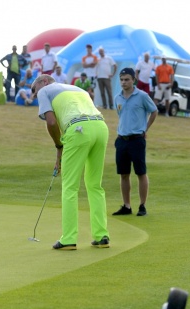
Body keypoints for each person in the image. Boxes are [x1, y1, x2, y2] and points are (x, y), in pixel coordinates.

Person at [31, 74, 110, 250]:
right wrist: (60, 150)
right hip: (101, 128)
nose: (35, 95)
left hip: (78, 130)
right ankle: (101, 235)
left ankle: (68, 238)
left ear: (43, 82)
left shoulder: (45, 91)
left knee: (70, 186)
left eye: (34, 90)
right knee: (95, 185)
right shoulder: (78, 89)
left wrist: (59, 145)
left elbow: (51, 122)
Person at [112, 68, 158, 217]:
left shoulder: (142, 96)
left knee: (141, 173)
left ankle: (142, 205)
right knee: (124, 174)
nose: (124, 82)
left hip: (137, 139)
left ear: (133, 80)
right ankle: (126, 206)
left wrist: (145, 129)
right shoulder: (117, 97)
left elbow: (154, 111)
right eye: (121, 79)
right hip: (121, 140)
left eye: (126, 79)